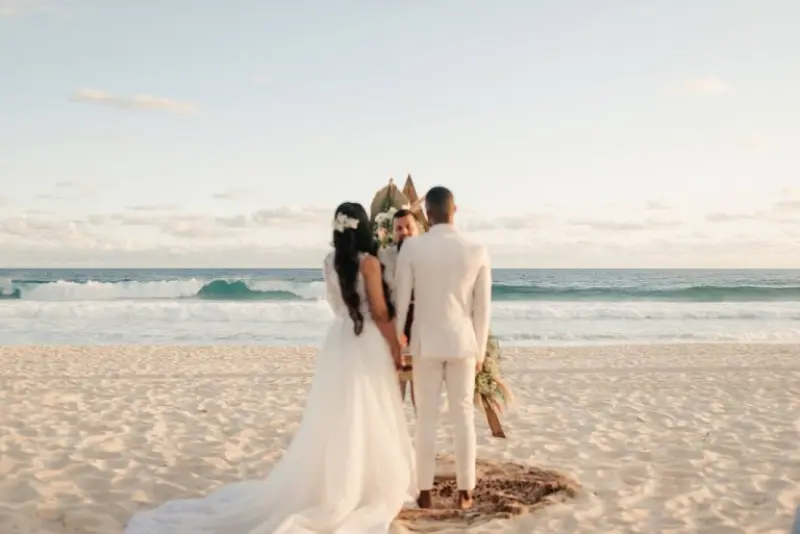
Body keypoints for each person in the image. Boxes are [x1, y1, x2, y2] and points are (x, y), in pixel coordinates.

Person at [125, 202, 417, 534]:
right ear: (364, 228)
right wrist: (396, 345)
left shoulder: (328, 262)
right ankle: (364, 483)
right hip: (364, 342)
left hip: (338, 340)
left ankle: (337, 481)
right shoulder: (369, 264)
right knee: (370, 411)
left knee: (338, 415)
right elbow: (379, 313)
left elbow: (338, 306)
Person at [394, 186, 492, 510]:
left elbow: (401, 298)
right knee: (463, 415)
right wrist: (479, 351)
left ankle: (424, 492)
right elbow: (482, 308)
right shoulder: (476, 249)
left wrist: (398, 338)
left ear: (427, 214)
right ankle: (466, 491)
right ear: (455, 210)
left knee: (427, 420)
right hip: (463, 343)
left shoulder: (412, 248)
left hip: (426, 344)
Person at [377, 208, 420, 406]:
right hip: (396, 330)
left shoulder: (429, 255)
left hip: (422, 329)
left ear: (417, 229)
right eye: (399, 228)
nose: (404, 232)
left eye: (408, 227)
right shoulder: (384, 257)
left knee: (420, 394)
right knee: (395, 392)